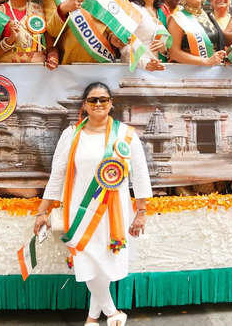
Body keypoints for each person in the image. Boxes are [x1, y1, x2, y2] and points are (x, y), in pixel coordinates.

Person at [34, 82, 152, 326]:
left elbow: (139, 175)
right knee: (88, 258)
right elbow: (57, 175)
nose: (98, 104)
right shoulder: (72, 134)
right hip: (81, 209)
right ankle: (111, 313)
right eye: (93, 100)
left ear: (111, 103)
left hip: (114, 211)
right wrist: (42, 211)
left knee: (105, 260)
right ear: (84, 105)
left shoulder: (126, 135)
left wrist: (141, 211)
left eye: (103, 99)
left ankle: (92, 317)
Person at [167, 0, 226, 65]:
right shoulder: (177, 18)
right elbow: (174, 53)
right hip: (189, 75)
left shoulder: (209, 16)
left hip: (213, 74)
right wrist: (205, 61)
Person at [119, 0, 168, 71]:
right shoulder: (131, 9)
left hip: (160, 72)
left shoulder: (162, 12)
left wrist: (164, 49)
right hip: (137, 71)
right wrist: (144, 63)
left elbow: (165, 46)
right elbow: (124, 45)